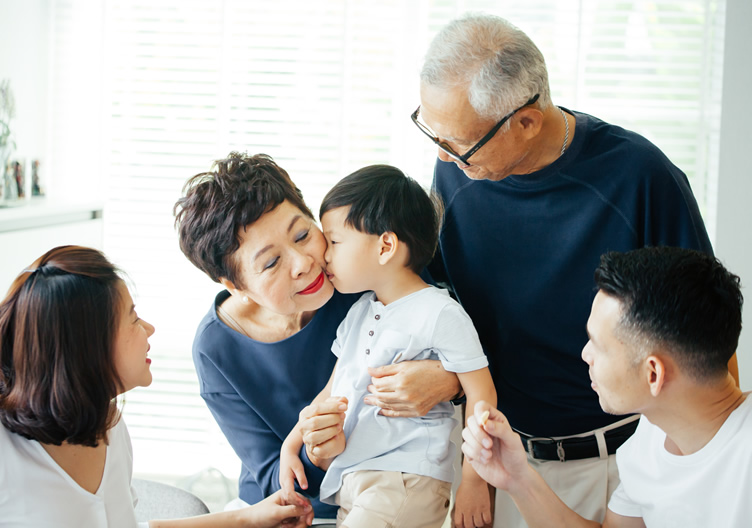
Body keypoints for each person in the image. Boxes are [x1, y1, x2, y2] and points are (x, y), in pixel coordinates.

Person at [412, 13, 724, 526]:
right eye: (435, 136)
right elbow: (434, 305)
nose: (445, 158)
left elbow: (708, 342)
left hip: (616, 462)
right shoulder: (457, 171)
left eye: (457, 145)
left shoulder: (641, 178)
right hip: (499, 454)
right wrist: (474, 459)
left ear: (527, 121)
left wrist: (709, 472)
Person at [172, 152, 463, 520]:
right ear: (234, 285)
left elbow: (460, 333)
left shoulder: (366, 273)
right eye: (272, 263)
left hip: (389, 492)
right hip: (291, 513)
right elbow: (271, 481)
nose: (304, 263)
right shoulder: (216, 347)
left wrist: (450, 379)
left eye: (303, 234)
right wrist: (316, 453)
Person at [0, 245, 314, 528]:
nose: (148, 329)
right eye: (132, 318)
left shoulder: (106, 424)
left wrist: (249, 519)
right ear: (87, 345)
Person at [462, 246, 750, 527]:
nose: (585, 355)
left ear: (653, 374)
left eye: (598, 345)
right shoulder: (650, 437)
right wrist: (517, 477)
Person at [278, 165, 497, 527]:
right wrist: (291, 444)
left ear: (385, 246)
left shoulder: (440, 312)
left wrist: (474, 481)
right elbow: (332, 389)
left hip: (405, 477)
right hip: (356, 479)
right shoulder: (360, 311)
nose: (324, 255)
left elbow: (482, 396)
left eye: (334, 241)